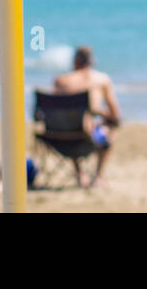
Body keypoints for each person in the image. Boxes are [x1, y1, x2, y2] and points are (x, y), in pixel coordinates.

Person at [52, 45, 121, 186]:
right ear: (91, 62)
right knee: (110, 127)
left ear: (75, 62)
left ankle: (79, 173)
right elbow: (115, 113)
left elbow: (50, 111)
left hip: (57, 135)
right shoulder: (101, 79)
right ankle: (98, 176)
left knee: (72, 122)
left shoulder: (61, 81)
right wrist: (101, 114)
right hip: (89, 135)